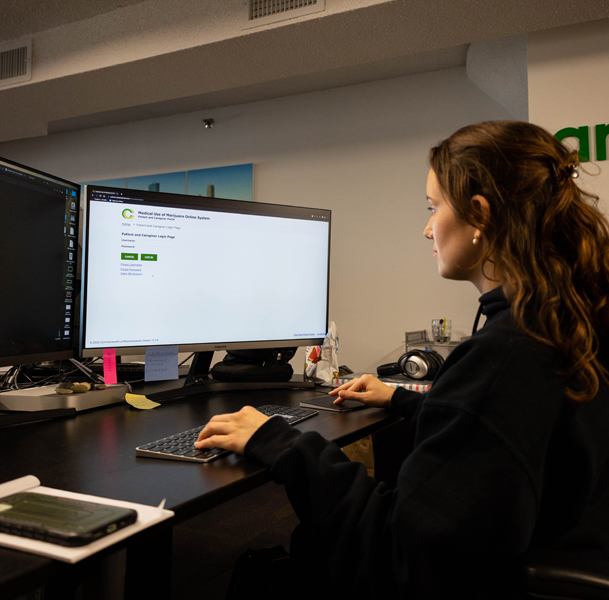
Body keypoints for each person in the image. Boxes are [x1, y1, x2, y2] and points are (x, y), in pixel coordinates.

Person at [195, 121, 609, 598]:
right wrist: (404, 399)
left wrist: (282, 444)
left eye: (434, 208)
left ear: (480, 215)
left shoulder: (507, 355)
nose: (427, 228)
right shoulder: (570, 319)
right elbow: (506, 434)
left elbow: (399, 556)